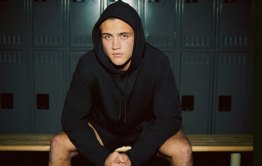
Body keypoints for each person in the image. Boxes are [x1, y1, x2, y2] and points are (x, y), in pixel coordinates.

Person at [48, 1, 193, 166]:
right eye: (107, 37)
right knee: (58, 144)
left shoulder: (157, 63)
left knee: (182, 150)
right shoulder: (88, 66)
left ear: (136, 36)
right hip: (102, 130)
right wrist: (102, 157)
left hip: (144, 130)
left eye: (124, 36)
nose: (115, 46)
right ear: (99, 37)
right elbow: (72, 120)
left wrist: (135, 156)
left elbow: (169, 119)